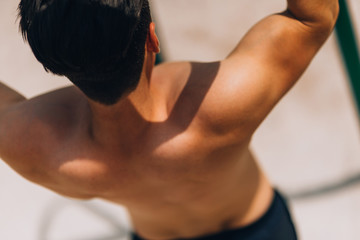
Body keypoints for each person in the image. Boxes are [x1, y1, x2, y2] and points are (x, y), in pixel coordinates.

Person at [0, 0, 339, 239]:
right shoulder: (222, 104)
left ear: (53, 62)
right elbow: (313, 18)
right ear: (152, 37)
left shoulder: (37, 148)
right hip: (258, 231)